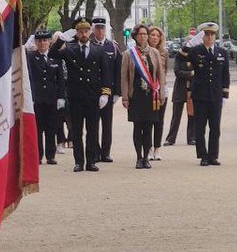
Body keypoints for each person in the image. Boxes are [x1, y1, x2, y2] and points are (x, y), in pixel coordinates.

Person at [50, 18, 113, 172]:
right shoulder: (70, 49)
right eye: (80, 32)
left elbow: (106, 74)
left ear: (90, 32)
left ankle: (91, 161)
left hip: (93, 96)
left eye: (85, 31)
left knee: (93, 130)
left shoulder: (99, 50)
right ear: (76, 33)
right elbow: (52, 54)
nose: (83, 34)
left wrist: (105, 93)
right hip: (76, 96)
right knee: (77, 131)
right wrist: (60, 40)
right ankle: (79, 161)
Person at [184, 22, 230, 166]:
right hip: (200, 95)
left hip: (215, 95)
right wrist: (192, 41)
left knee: (215, 127)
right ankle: (203, 155)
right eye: (206, 34)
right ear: (202, 37)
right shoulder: (196, 51)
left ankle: (213, 155)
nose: (209, 37)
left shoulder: (221, 52)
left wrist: (225, 95)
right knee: (200, 127)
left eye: (211, 34)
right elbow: (181, 55)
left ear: (215, 36)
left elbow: (225, 75)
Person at [121, 24, 165, 169]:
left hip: (151, 95)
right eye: (140, 34)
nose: (143, 37)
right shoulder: (129, 54)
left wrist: (162, 93)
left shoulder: (154, 53)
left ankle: (146, 157)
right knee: (137, 127)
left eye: (145, 34)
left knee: (149, 127)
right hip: (136, 96)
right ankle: (139, 157)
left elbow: (160, 75)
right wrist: (125, 96)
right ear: (135, 36)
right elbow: (125, 77)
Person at [26, 28, 66, 164]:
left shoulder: (55, 57)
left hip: (52, 98)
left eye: (45, 40)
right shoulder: (30, 58)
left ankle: (51, 155)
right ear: (36, 42)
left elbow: (61, 79)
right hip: (37, 99)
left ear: (49, 41)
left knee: (51, 128)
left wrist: (61, 97)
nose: (42, 43)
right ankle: (38, 156)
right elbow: (28, 79)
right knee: (37, 129)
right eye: (39, 41)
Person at [91, 16, 121, 162]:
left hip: (108, 91)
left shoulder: (113, 47)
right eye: (97, 28)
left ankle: (106, 152)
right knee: (93, 123)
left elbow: (117, 71)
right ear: (93, 29)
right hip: (92, 92)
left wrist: (117, 92)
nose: (100, 31)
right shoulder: (89, 45)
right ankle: (95, 151)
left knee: (107, 124)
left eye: (102, 28)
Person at [164, 24, 197, 147]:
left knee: (192, 114)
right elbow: (177, 72)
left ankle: (192, 138)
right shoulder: (179, 57)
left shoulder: (195, 56)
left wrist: (191, 74)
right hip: (180, 89)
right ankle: (170, 138)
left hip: (192, 89)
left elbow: (198, 72)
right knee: (176, 116)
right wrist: (191, 73)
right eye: (188, 43)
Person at [147, 25, 168, 161]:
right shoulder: (143, 51)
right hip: (148, 89)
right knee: (148, 120)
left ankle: (157, 149)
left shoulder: (164, 52)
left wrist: (162, 86)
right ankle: (148, 148)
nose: (155, 37)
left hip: (160, 89)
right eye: (152, 35)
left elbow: (164, 71)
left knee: (159, 121)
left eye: (157, 35)